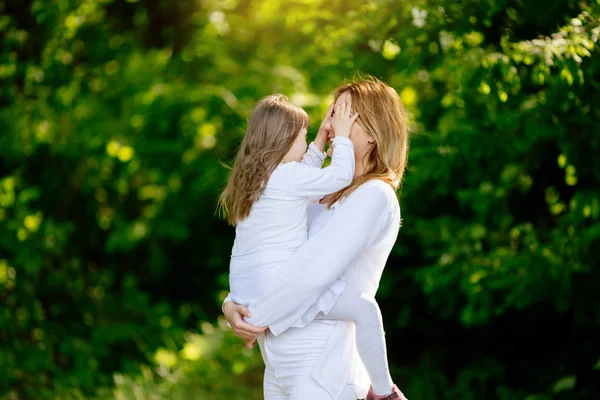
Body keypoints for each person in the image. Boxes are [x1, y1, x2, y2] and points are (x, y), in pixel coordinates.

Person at [224, 77, 409, 400]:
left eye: (347, 115)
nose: (335, 122)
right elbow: (268, 252)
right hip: (280, 365)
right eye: (335, 112)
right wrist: (233, 303)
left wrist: (255, 315)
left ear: (373, 133)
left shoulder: (374, 195)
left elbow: (311, 271)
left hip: (322, 367)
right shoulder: (319, 193)